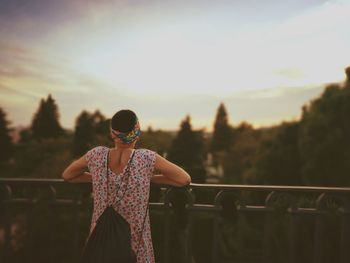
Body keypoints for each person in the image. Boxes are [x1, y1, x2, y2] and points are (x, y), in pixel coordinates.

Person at [62, 109, 191, 263]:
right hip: (135, 244)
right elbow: (184, 179)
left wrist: (99, 178)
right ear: (136, 132)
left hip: (101, 240)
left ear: (112, 134)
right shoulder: (145, 158)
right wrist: (148, 179)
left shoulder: (96, 155)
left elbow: (68, 175)